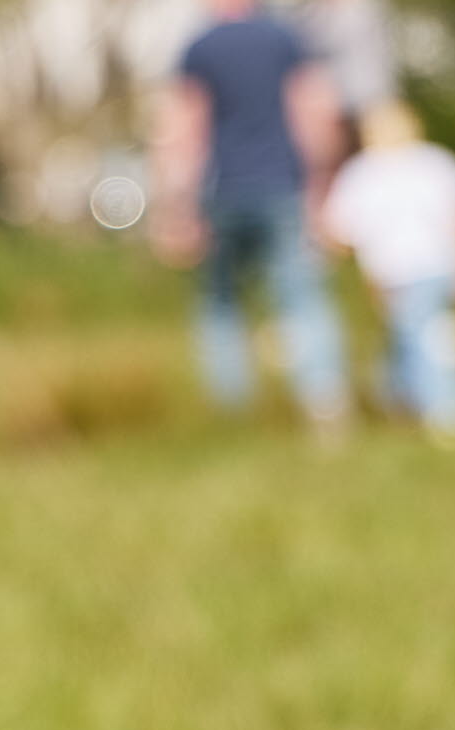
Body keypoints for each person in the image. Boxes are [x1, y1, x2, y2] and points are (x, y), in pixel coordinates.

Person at [151, 0, 352, 435]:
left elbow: (182, 130)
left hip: (221, 192)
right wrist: (321, 186)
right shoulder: (285, 40)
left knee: (221, 303)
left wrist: (177, 206)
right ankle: (325, 406)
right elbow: (316, 114)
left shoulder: (200, 48)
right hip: (283, 188)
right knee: (302, 297)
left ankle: (234, 415)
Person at [318, 101, 455, 443]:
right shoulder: (435, 163)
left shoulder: (365, 173)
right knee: (409, 338)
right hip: (422, 271)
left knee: (418, 337)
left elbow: (337, 232)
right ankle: (401, 403)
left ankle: (452, 412)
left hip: (411, 272)